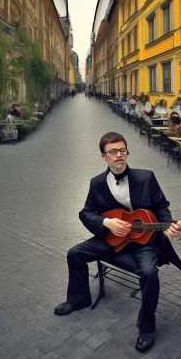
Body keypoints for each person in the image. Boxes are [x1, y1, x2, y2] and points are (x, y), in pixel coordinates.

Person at [54, 132, 181, 353]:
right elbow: (85, 212)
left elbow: (161, 206)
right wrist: (106, 222)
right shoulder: (97, 183)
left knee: (150, 274)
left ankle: (147, 328)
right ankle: (78, 299)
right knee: (74, 253)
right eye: (113, 152)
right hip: (113, 239)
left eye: (122, 150)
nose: (119, 155)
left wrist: (169, 224)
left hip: (145, 242)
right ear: (104, 156)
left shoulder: (146, 177)